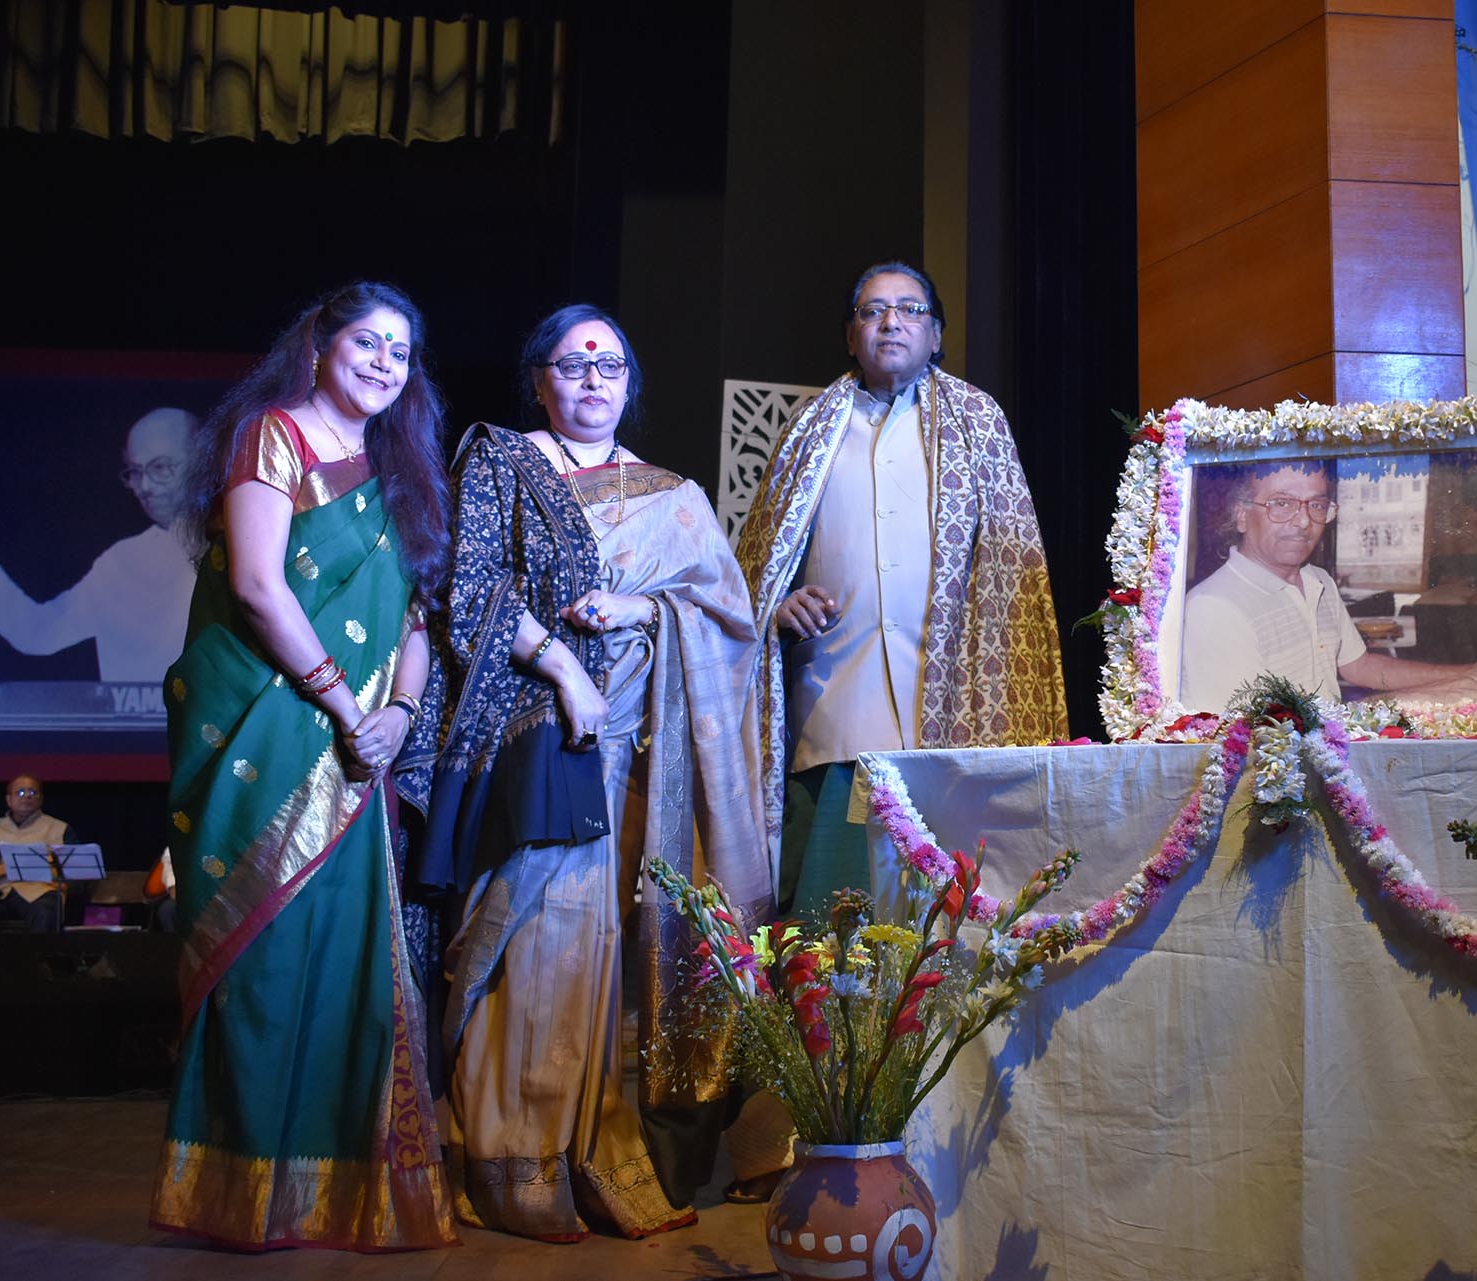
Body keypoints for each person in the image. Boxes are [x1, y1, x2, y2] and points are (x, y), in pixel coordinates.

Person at [402, 305, 776, 1241]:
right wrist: (565, 661)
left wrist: (645, 608)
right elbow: (467, 586)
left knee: (599, 958)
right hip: (526, 739)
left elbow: (728, 622)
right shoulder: (500, 461)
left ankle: (584, 1148)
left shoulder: (676, 497)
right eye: (573, 364)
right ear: (540, 380)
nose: (593, 380)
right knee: (529, 941)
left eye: (610, 366)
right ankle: (503, 1152)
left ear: (630, 384)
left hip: (629, 766)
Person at [147, 282, 458, 1251]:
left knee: (348, 968)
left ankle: (333, 1194)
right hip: (273, 730)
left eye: (400, 352)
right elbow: (255, 583)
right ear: (319, 346)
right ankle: (236, 1196)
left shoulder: (402, 467)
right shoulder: (270, 435)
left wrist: (400, 714)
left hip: (363, 745)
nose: (382, 364)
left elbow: (416, 618)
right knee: (265, 963)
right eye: (366, 342)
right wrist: (345, 704)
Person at [734, 261, 1068, 916]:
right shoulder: (806, 432)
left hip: (950, 717)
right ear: (850, 335)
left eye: (910, 309)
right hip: (834, 709)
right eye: (872, 310)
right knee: (834, 927)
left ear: (937, 334)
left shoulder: (978, 422)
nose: (891, 321)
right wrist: (776, 605)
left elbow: (1012, 572)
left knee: (937, 920)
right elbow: (759, 562)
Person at [1179, 460, 1477, 711]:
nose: (1303, 521)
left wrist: (1469, 674)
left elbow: (1360, 668)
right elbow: (1259, 739)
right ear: (1241, 514)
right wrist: (1432, 697)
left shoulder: (1317, 581)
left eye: (1316, 505)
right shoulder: (1214, 608)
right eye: (1281, 504)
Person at [0, 408, 200, 683]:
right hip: (133, 729)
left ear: (202, 463)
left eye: (160, 468)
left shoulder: (238, 547)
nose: (144, 486)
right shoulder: (120, 562)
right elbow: (39, 632)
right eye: (135, 472)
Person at [0, 774, 73, 933]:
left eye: (33, 792)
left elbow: (73, 868)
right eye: (21, 792)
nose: (27, 796)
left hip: (39, 891)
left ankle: (40, 958)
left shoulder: (59, 828)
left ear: (41, 799)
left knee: (48, 910)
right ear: (9, 800)